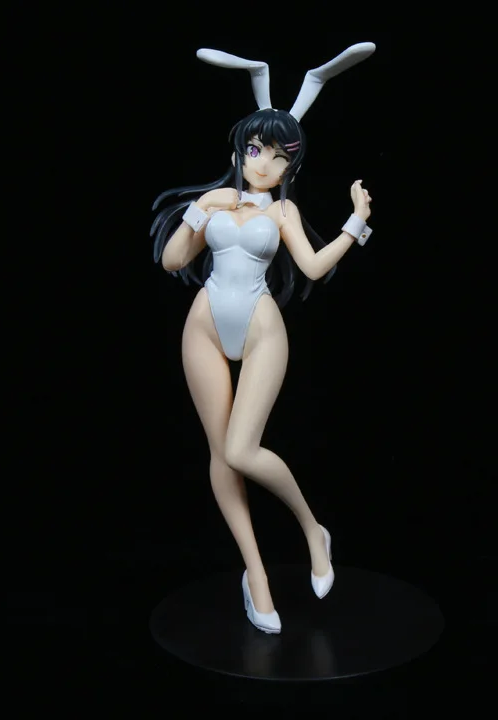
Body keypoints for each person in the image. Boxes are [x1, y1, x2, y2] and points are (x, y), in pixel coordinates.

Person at [150, 43, 376, 634]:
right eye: (256, 150)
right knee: (219, 453)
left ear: (290, 169)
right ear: (239, 150)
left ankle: (312, 529)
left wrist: (356, 221)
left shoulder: (282, 215)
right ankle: (256, 575)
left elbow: (313, 267)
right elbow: (173, 260)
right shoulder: (217, 201)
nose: (264, 165)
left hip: (259, 328)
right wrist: (200, 209)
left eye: (279, 158)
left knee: (241, 450)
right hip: (203, 324)